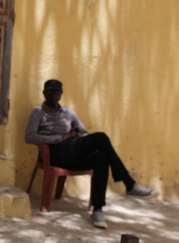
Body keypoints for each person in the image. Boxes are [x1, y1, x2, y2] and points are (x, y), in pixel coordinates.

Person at [25, 79, 156, 229]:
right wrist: (61, 138)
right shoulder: (38, 113)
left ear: (61, 94)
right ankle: (129, 183)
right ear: (44, 94)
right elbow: (29, 137)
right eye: (50, 93)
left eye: (57, 93)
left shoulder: (69, 112)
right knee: (100, 137)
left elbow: (85, 133)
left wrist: (80, 138)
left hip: (73, 152)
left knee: (101, 158)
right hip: (54, 154)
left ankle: (98, 210)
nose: (54, 96)